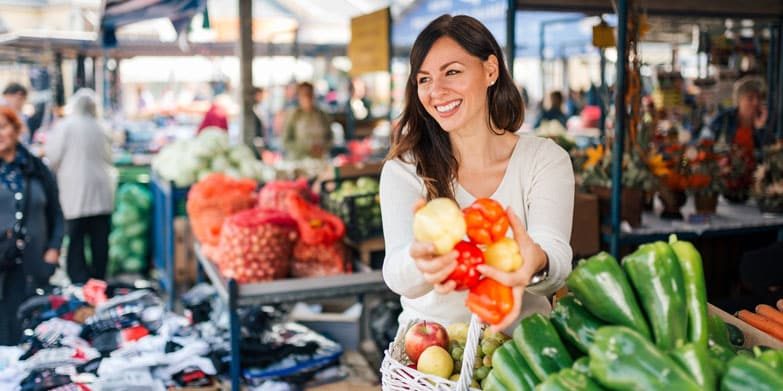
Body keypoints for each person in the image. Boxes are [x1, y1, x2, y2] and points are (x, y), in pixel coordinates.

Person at [380, 14, 574, 332]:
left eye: (452, 72)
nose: (436, 91)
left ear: (490, 70)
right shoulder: (405, 169)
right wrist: (421, 261)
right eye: (424, 79)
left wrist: (535, 261)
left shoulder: (544, 159)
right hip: (431, 357)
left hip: (523, 353)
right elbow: (397, 275)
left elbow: (556, 256)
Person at [0, 106, 64, 345]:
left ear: (16, 130)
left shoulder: (37, 169)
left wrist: (53, 250)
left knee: (36, 333)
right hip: (2, 268)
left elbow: (57, 213)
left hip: (35, 263)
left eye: (3, 127)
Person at [45, 89, 113, 285]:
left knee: (75, 241)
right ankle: (99, 282)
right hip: (101, 191)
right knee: (100, 242)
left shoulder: (65, 126)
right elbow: (109, 157)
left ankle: (79, 282)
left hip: (75, 192)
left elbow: (53, 157)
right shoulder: (101, 127)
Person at [705, 76, 775, 159]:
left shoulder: (766, 122)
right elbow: (706, 146)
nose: (756, 103)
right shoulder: (724, 119)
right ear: (739, 100)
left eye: (759, 98)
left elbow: (769, 155)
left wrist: (760, 129)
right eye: (750, 98)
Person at [282, 82, 332, 160]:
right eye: (304, 94)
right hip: (299, 160)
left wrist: (323, 147)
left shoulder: (322, 115)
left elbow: (330, 138)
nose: (307, 97)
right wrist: (305, 148)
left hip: (320, 159)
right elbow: (286, 141)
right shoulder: (293, 116)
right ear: (299, 96)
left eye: (309, 94)